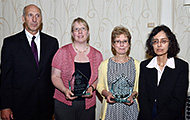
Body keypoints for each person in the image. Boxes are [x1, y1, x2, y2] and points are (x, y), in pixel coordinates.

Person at [0, 4, 59, 120]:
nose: (34, 19)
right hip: (19, 107)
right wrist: (5, 106)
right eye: (30, 15)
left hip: (46, 107)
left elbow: (55, 74)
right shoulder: (10, 43)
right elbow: (5, 78)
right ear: (23, 18)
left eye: (37, 16)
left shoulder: (52, 43)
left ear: (41, 19)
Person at [51, 17, 103, 120]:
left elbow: (99, 78)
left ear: (88, 32)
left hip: (87, 105)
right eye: (76, 29)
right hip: (64, 103)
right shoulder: (62, 52)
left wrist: (92, 88)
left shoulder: (97, 55)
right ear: (72, 33)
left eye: (83, 28)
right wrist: (65, 90)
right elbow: (55, 76)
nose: (80, 31)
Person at [138, 25, 189, 120]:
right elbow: (142, 98)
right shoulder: (145, 66)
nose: (159, 45)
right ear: (151, 44)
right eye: (155, 41)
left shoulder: (181, 67)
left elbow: (178, 101)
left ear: (170, 43)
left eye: (163, 41)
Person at [97, 25, 140, 120]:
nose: (121, 45)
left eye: (125, 41)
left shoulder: (137, 65)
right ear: (113, 44)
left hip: (130, 111)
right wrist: (106, 94)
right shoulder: (104, 64)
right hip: (110, 111)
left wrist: (133, 95)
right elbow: (99, 86)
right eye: (117, 41)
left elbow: (138, 89)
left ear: (129, 44)